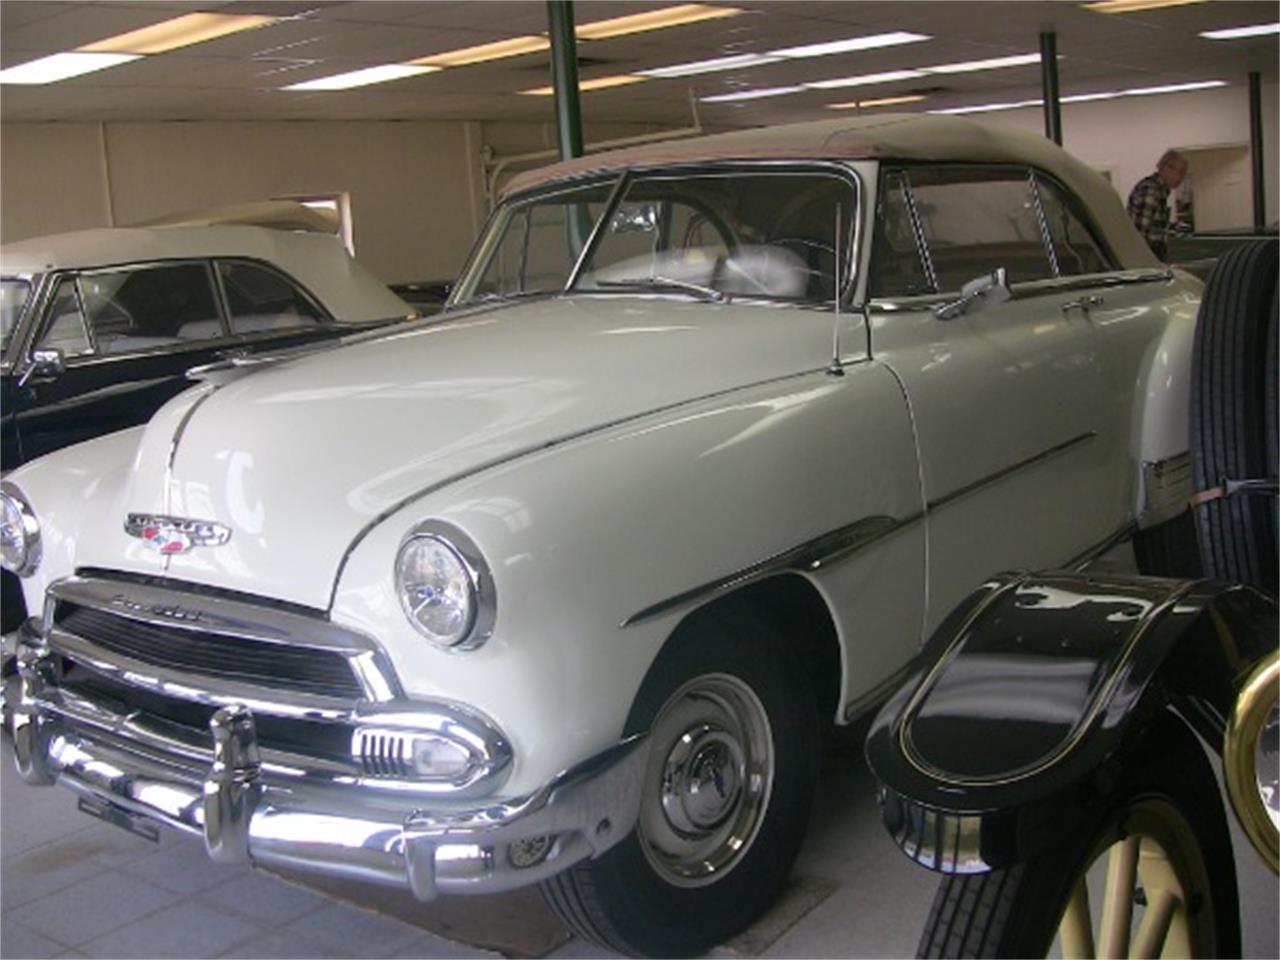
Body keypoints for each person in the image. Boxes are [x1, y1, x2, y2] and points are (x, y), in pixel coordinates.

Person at [1126, 150, 1188, 261]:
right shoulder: (1151, 190)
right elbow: (1140, 232)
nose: (1182, 178)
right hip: (1146, 256)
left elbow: (1152, 225)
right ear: (1166, 168)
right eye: (1181, 172)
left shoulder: (1160, 191)